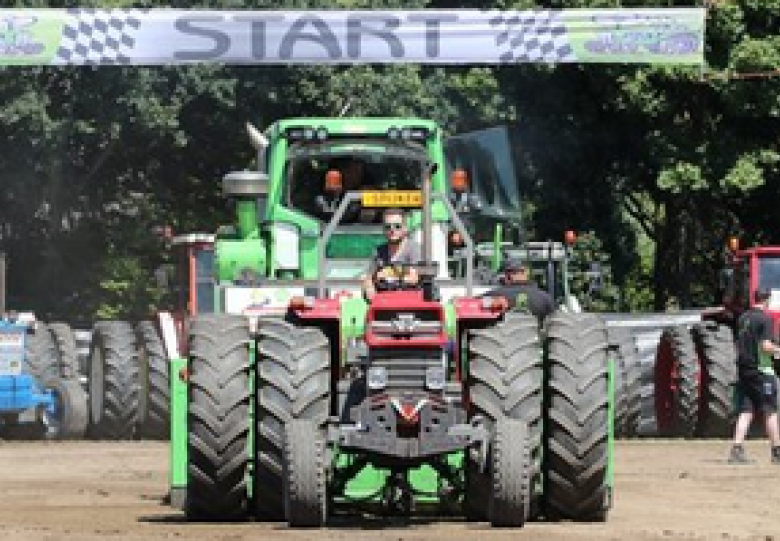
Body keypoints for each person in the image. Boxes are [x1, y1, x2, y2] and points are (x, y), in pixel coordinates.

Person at [728, 288, 780, 464]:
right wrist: (778, 350)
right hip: (761, 371)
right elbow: (765, 346)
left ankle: (736, 449)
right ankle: (776, 452)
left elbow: (738, 344)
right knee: (770, 411)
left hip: (744, 370)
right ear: (767, 300)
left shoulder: (743, 318)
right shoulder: (764, 319)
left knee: (746, 410)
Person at [363, 208, 421, 301]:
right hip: (384, 300)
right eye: (388, 227)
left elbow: (414, 278)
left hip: (408, 300)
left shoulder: (414, 249)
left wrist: (387, 276)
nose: (392, 230)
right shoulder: (379, 251)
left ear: (405, 228)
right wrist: (369, 287)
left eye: (397, 226)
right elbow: (369, 277)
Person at [481, 258, 555, 322]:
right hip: (536, 337)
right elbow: (556, 323)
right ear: (526, 273)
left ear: (506, 275)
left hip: (502, 336)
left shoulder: (492, 296)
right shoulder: (545, 298)